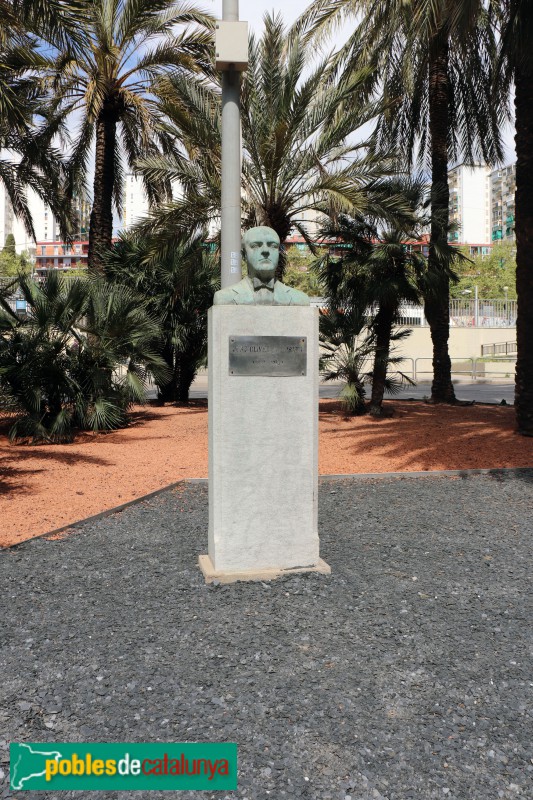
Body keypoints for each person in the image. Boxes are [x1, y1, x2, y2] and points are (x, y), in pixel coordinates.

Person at [213, 226, 309, 306]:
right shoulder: (223, 298)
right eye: (255, 245)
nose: (265, 251)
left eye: (273, 245)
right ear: (244, 255)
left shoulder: (300, 300)